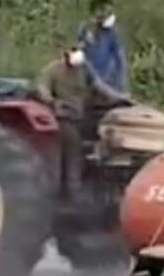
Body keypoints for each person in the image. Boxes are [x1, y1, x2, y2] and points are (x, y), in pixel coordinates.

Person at [35, 46, 129, 200]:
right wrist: (52, 101)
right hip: (63, 119)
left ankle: (78, 189)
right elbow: (41, 88)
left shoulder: (84, 69)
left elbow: (99, 87)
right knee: (71, 157)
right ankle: (71, 193)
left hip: (80, 117)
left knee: (82, 153)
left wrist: (119, 98)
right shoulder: (53, 70)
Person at [77, 0, 129, 94]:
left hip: (108, 82)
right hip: (88, 80)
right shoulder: (84, 29)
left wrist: (122, 85)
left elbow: (120, 59)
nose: (106, 15)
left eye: (109, 12)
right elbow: (80, 50)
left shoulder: (113, 32)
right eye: (104, 10)